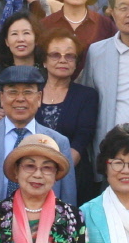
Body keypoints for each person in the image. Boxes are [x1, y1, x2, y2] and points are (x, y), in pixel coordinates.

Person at [0, 66, 78, 206]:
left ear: (39, 98)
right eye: (13, 92)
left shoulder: (58, 142)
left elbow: (68, 200)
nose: (20, 99)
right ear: (1, 98)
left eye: (27, 92)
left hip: (44, 226)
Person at [35, 33, 101, 167]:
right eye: (55, 55)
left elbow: (83, 136)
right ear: (44, 61)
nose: (63, 60)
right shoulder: (32, 93)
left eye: (70, 56)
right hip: (31, 168)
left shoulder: (87, 96)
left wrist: (61, 168)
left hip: (71, 170)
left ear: (76, 63)